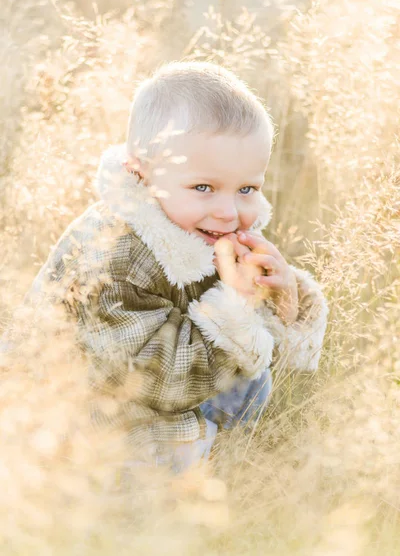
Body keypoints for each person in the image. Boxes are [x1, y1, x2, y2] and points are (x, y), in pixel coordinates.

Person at [21, 61, 329, 474]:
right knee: (234, 365)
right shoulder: (114, 257)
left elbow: (230, 343)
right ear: (141, 176)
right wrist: (238, 305)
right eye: (203, 187)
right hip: (68, 427)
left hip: (151, 402)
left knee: (251, 378)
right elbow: (156, 380)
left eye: (247, 189)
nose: (227, 212)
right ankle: (178, 487)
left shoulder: (196, 227)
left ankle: (219, 464)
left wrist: (280, 300)